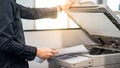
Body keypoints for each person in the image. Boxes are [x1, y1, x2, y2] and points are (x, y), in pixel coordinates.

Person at [0, 0, 75, 68]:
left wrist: (60, 8)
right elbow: (5, 43)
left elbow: (31, 12)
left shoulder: (9, 3)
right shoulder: (5, 2)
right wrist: (37, 52)